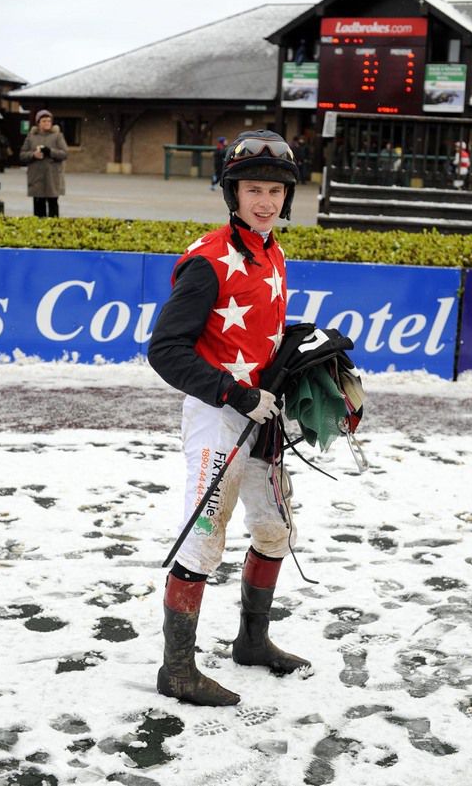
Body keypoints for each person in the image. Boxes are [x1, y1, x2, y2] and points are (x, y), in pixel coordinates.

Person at [148, 130, 311, 706]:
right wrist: (234, 394)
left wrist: (298, 364)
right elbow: (165, 350)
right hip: (218, 417)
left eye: (275, 191)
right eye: (253, 190)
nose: (265, 202)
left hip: (264, 416)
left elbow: (258, 337)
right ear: (232, 194)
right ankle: (177, 670)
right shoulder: (208, 260)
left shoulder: (273, 251)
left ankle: (252, 641)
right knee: (203, 541)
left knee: (275, 530)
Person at [19, 109, 68, 217]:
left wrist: (50, 152)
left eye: (49, 121)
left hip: (52, 177)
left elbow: (64, 154)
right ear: (38, 123)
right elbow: (22, 155)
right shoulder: (31, 137)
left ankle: (53, 226)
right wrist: (33, 155)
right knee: (38, 208)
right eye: (44, 121)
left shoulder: (57, 136)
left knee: (53, 206)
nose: (47, 123)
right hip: (36, 177)